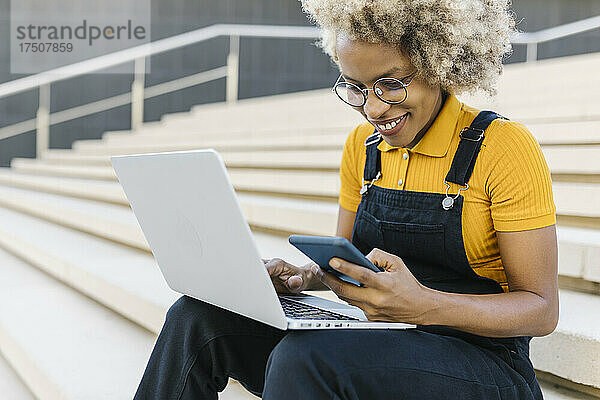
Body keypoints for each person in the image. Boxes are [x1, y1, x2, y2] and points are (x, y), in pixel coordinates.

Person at [134, 0, 558, 399]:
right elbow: (346, 266)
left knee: (306, 360)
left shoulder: (503, 147)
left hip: (484, 364)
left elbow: (540, 310)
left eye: (389, 85)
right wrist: (301, 277)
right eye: (356, 88)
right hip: (380, 339)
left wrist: (423, 305)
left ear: (438, 63)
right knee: (196, 318)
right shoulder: (364, 147)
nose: (373, 109)